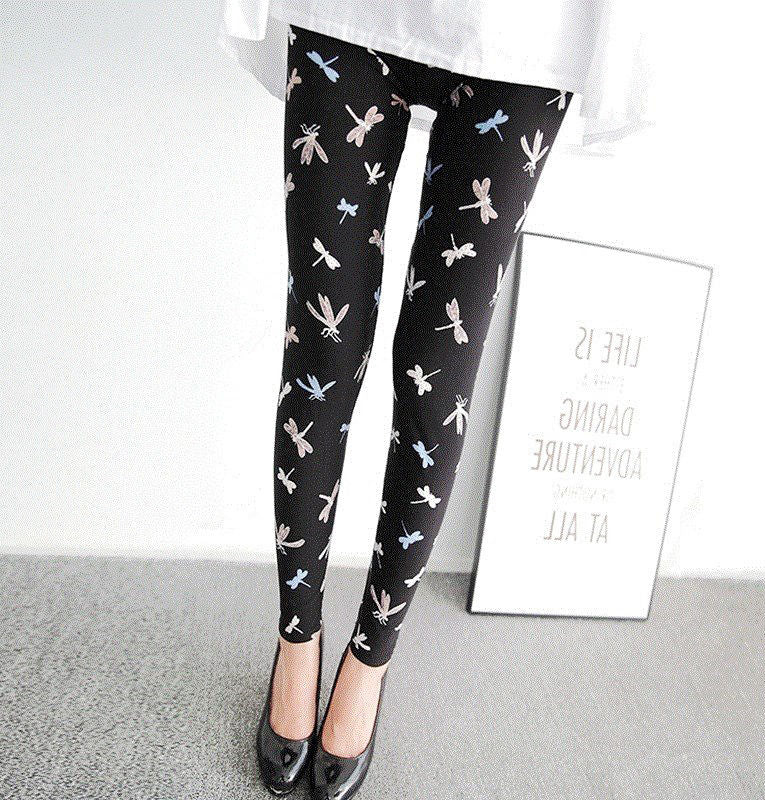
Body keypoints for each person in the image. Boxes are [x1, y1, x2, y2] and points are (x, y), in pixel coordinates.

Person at [217, 3, 652, 798]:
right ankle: (298, 639)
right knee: (323, 344)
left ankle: (369, 659)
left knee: (436, 375)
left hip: (524, 34)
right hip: (350, 16)